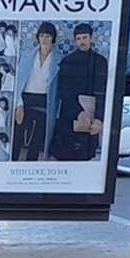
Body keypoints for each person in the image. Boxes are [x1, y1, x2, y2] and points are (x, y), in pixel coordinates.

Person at [47, 21, 110, 162]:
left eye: (85, 37)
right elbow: (64, 92)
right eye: (79, 38)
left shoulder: (100, 62)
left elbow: (102, 91)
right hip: (69, 117)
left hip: (92, 118)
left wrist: (99, 118)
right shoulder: (67, 61)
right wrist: (78, 112)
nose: (82, 42)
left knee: (86, 158)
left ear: (91, 38)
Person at [13, 22, 57, 163]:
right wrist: (18, 103)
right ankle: (12, 164)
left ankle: (30, 165)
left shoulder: (58, 60)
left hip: (45, 100)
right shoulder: (27, 56)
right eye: (42, 35)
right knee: (18, 134)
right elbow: (17, 82)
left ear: (53, 38)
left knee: (38, 138)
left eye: (48, 36)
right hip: (25, 98)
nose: (44, 39)